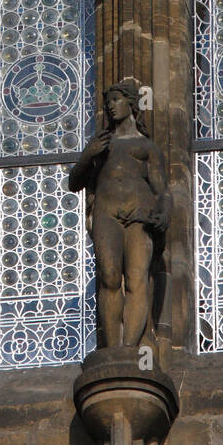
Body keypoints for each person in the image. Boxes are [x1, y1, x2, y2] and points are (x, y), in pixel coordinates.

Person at [69, 80, 171, 349]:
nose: (110, 106)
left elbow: (162, 191)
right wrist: (87, 155)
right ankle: (114, 349)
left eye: (115, 100)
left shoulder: (147, 147)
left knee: (137, 280)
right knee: (110, 276)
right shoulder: (101, 145)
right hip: (107, 214)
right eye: (108, 102)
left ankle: (129, 349)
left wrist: (161, 212)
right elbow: (74, 182)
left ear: (131, 103)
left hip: (139, 216)